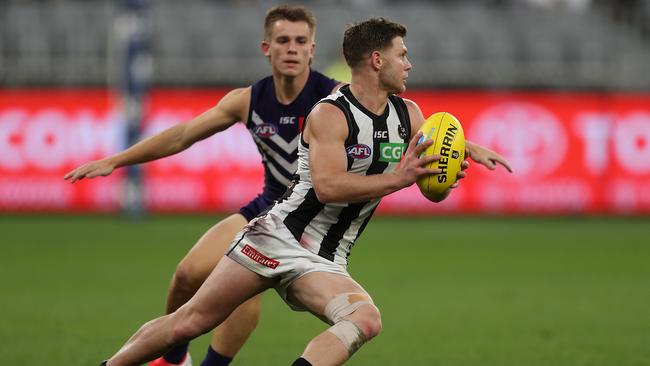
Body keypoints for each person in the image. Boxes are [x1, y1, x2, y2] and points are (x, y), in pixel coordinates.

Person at [96, 17, 512, 366]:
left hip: (325, 257)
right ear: (377, 59)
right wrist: (399, 178)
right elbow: (329, 187)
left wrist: (453, 163)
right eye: (402, 54)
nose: (409, 63)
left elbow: (429, 176)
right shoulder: (330, 114)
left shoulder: (410, 114)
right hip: (276, 238)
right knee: (189, 322)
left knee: (365, 320)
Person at [65, 6, 339, 366]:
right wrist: (116, 160)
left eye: (301, 41)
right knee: (187, 274)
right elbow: (182, 135)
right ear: (266, 47)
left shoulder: (334, 100)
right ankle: (175, 360)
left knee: (242, 293)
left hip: (308, 223)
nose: (292, 48)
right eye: (283, 40)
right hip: (265, 209)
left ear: (312, 49)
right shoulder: (248, 100)